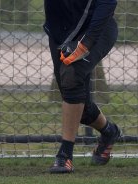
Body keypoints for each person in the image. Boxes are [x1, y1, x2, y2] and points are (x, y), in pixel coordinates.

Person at [43, 0, 122, 174]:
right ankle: (109, 131)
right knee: (78, 104)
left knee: (71, 75)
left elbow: (107, 4)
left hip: (97, 29)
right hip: (61, 31)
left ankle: (65, 155)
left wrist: (86, 43)